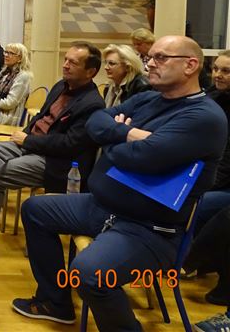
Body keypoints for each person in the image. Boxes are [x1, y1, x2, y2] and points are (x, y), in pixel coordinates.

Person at [13, 35, 228, 330]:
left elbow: (143, 158)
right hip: (102, 206)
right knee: (36, 210)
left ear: (190, 65)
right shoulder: (149, 98)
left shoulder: (204, 117)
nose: (150, 64)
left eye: (160, 58)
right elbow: (96, 122)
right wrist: (128, 135)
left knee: (90, 274)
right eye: (150, 57)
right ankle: (55, 303)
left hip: (150, 228)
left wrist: (114, 140)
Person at [0, 41, 105, 258]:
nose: (65, 65)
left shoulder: (92, 103)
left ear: (90, 71)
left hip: (55, 161)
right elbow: (40, 118)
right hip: (29, 144)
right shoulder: (60, 86)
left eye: (73, 63)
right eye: (65, 59)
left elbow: (69, 145)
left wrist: (28, 140)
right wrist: (25, 136)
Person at [192, 49, 230, 233]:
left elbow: (227, 159)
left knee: (194, 206)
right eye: (215, 69)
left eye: (226, 71)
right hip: (206, 172)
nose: (217, 75)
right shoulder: (209, 96)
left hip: (223, 183)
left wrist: (202, 185)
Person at [102, 43, 151, 107]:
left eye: (111, 63)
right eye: (105, 62)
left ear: (127, 67)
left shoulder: (141, 87)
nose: (105, 67)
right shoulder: (109, 87)